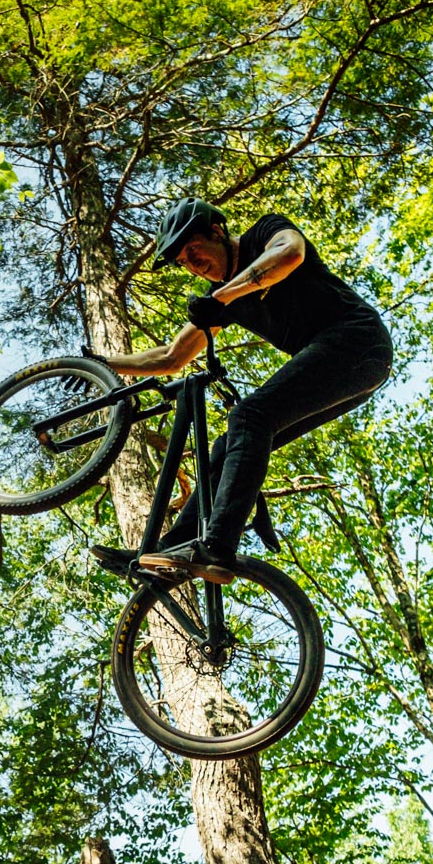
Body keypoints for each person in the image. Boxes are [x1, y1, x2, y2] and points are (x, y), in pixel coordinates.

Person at [88, 198, 393, 582]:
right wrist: (102, 363)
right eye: (183, 262)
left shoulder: (263, 235)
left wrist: (221, 298)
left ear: (216, 232)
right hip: (350, 370)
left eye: (193, 250)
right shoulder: (224, 300)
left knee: (250, 414)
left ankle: (217, 546)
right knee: (229, 442)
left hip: (358, 341)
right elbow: (169, 357)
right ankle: (171, 552)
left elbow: (290, 254)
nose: (193, 265)